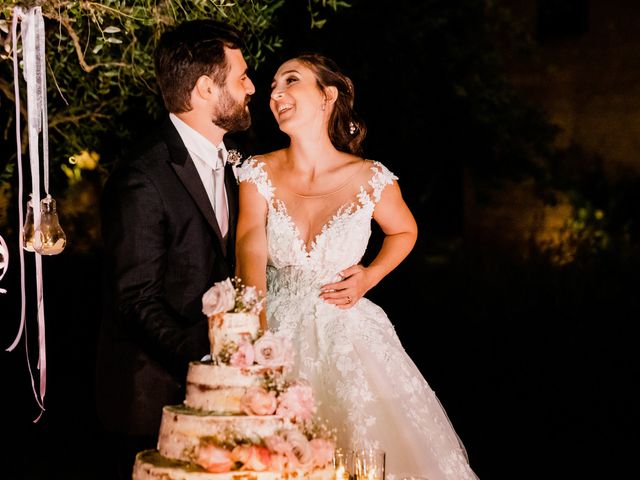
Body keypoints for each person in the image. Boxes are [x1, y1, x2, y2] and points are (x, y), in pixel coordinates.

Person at [235, 54, 478, 479]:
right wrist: (254, 339)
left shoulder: (371, 178)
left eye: (290, 81)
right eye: (272, 86)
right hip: (274, 331)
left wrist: (370, 275)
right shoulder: (257, 172)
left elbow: (404, 232)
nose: (275, 93)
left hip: (351, 339)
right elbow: (249, 250)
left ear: (327, 96)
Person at [96, 19, 255, 479]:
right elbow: (136, 300)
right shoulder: (142, 177)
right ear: (206, 88)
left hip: (219, 401)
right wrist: (208, 362)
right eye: (241, 76)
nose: (251, 87)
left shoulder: (233, 165)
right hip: (152, 402)